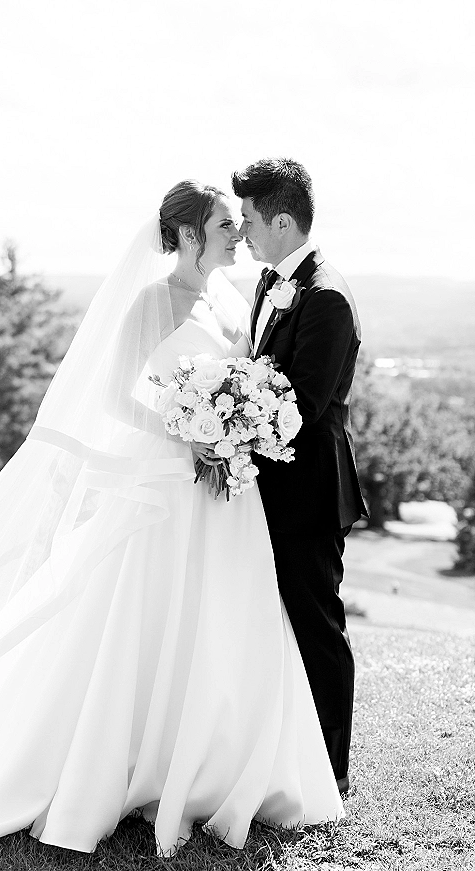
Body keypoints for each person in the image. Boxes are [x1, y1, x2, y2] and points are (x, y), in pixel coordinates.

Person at [0, 180, 343, 857]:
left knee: (224, 624)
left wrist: (230, 426)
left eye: (237, 222)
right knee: (148, 622)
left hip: (225, 495)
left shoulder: (225, 299)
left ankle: (214, 768)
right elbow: (113, 397)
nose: (235, 234)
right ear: (190, 234)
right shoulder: (149, 301)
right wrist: (187, 427)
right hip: (171, 484)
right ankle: (130, 764)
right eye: (225, 223)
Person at [231, 159, 369, 794]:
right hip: (268, 487)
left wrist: (225, 411)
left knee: (316, 626)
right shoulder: (273, 282)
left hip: (309, 492)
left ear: (280, 220)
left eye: (250, 218)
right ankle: (281, 759)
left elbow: (302, 405)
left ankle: (329, 775)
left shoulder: (327, 297)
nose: (243, 229)